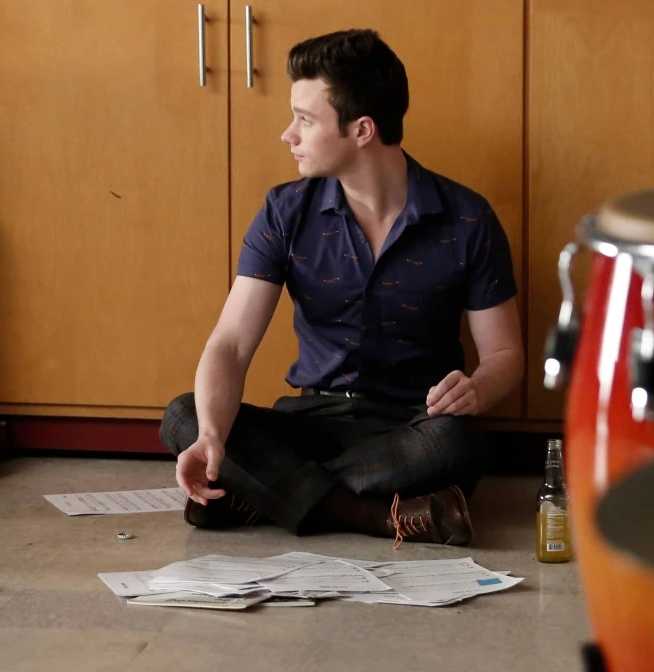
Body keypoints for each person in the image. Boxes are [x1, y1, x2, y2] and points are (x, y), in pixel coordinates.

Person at [161, 29, 523, 548]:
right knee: (185, 415)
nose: (288, 135)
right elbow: (231, 344)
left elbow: (505, 354)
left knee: (456, 443)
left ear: (362, 130)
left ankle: (263, 495)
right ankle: (378, 516)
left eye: (305, 120)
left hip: (412, 425)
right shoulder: (285, 211)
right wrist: (212, 436)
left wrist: (479, 388)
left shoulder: (467, 218)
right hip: (311, 420)